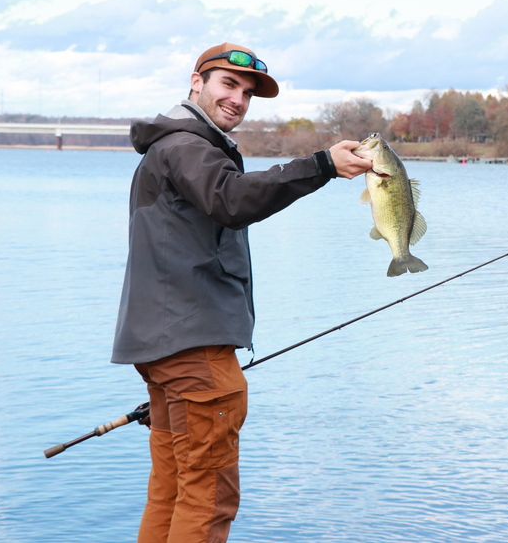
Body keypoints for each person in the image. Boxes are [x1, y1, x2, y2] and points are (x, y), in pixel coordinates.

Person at [111, 42, 372, 543]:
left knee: (173, 489)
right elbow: (233, 200)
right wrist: (320, 165)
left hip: (163, 349)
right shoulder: (188, 147)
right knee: (209, 498)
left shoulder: (170, 147)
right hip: (195, 352)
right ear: (196, 81)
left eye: (247, 93)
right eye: (228, 84)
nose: (238, 99)